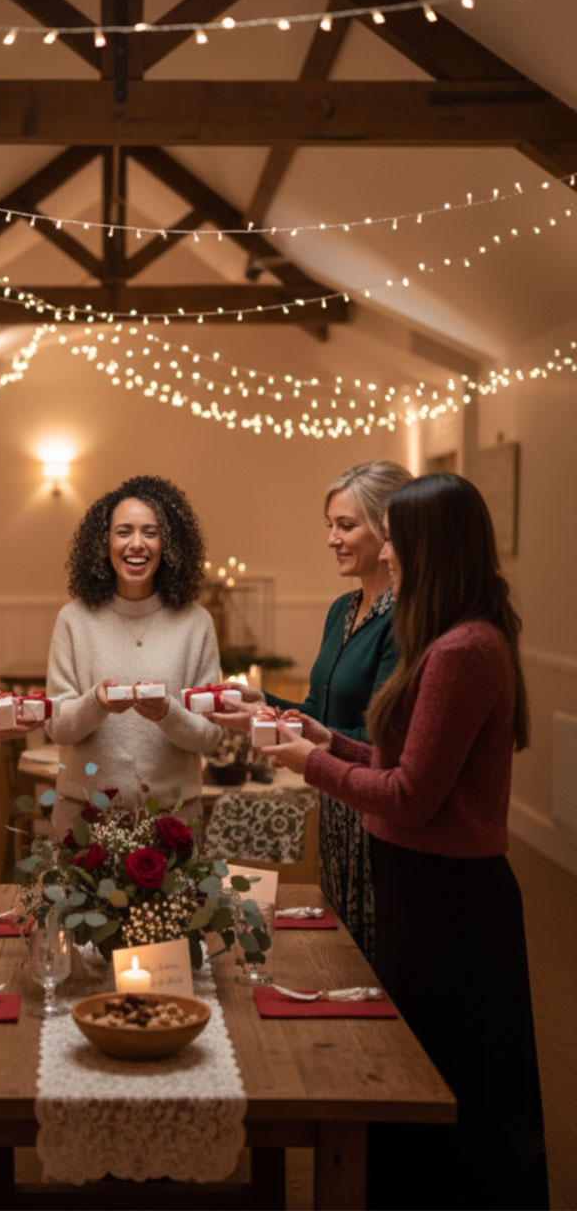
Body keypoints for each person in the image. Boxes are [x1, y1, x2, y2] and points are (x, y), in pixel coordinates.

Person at [263, 473, 548, 1210]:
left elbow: (410, 799)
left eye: (395, 537)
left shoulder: (460, 650)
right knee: (419, 1066)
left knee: (444, 1076)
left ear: (431, 546)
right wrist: (326, 739)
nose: (387, 553)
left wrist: (311, 763)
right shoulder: (454, 637)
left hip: (449, 897)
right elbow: (406, 768)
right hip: (426, 883)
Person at [212, 459, 411, 964]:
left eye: (346, 526)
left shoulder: (406, 620)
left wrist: (305, 744)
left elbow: (379, 741)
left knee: (377, 957)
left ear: (389, 530)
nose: (332, 539)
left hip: (377, 815)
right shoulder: (341, 611)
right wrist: (265, 706)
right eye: (330, 526)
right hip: (335, 811)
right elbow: (319, 713)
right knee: (343, 949)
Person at [46, 475, 222, 837]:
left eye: (151, 532)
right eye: (123, 531)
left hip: (174, 816)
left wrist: (167, 713)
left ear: (170, 544)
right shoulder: (73, 620)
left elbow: (210, 736)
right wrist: (95, 702)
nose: (137, 544)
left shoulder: (196, 623)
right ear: (104, 542)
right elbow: (56, 726)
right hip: (86, 814)